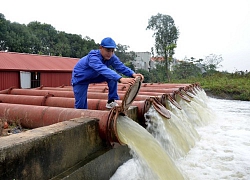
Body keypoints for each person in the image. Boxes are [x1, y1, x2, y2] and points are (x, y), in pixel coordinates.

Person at [71, 37, 144, 109]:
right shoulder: (93, 57)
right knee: (81, 105)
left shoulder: (111, 57)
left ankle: (111, 101)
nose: (110, 53)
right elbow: (103, 69)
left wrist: (133, 74)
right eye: (108, 50)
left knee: (112, 77)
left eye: (112, 51)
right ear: (101, 48)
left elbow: (120, 66)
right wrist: (120, 79)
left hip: (95, 76)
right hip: (80, 78)